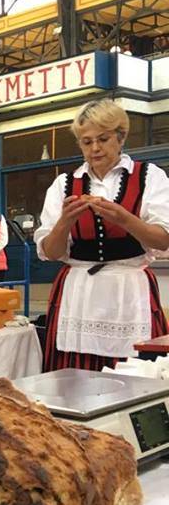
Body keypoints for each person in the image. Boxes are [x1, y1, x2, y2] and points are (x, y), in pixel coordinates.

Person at [35, 99, 169, 372]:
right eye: (86, 142)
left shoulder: (149, 176)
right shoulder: (64, 184)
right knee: (74, 377)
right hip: (78, 294)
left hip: (129, 292)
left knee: (137, 374)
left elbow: (163, 239)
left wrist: (123, 218)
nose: (95, 148)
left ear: (121, 138)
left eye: (103, 139)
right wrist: (65, 222)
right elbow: (50, 252)